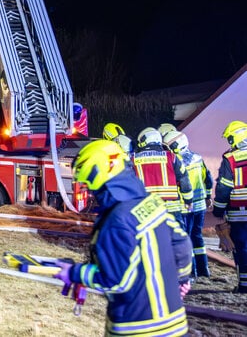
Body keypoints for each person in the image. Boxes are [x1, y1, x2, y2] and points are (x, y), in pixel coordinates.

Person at [55, 139, 192, 335]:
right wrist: (182, 280)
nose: (87, 189)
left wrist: (74, 273)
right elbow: (181, 242)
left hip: (136, 328)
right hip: (175, 325)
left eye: (86, 183)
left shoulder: (117, 221)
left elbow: (117, 281)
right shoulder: (150, 203)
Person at [164, 130, 213, 279]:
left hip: (185, 205)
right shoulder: (197, 157)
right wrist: (208, 195)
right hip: (200, 205)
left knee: (186, 238)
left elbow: (180, 183)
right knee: (197, 236)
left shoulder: (176, 160)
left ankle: (191, 272)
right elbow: (207, 178)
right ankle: (204, 269)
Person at [212, 119, 247, 293]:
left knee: (242, 249)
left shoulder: (231, 158)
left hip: (240, 213)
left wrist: (218, 209)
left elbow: (224, 187)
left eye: (230, 139)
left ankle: (244, 285)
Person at [132, 127, 192, 223]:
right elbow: (184, 180)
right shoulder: (171, 157)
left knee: (150, 237)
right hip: (171, 208)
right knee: (177, 236)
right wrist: (188, 201)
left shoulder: (133, 160)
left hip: (146, 209)